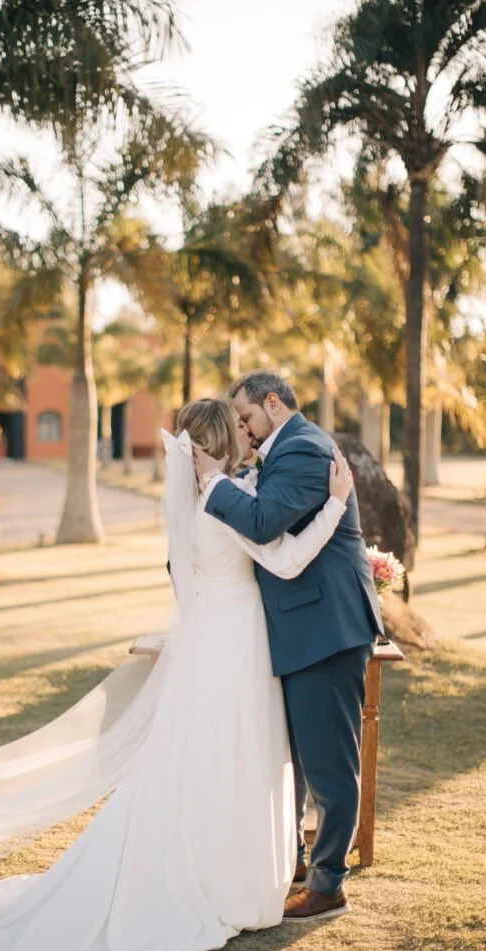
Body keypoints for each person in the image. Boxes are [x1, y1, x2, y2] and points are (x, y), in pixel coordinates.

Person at [0, 397, 353, 951]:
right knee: (234, 755)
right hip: (236, 642)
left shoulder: (200, 502)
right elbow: (289, 559)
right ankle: (227, 881)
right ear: (222, 443)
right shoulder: (226, 502)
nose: (249, 437)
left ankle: (215, 869)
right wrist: (335, 504)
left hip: (213, 639)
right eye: (239, 430)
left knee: (206, 756)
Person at [193, 371, 383, 923]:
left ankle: (328, 885)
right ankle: (296, 864)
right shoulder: (280, 452)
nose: (244, 430)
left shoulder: (302, 448)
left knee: (328, 766)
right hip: (300, 630)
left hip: (325, 629)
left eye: (247, 416)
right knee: (297, 760)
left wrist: (212, 482)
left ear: (272, 404)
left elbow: (262, 522)